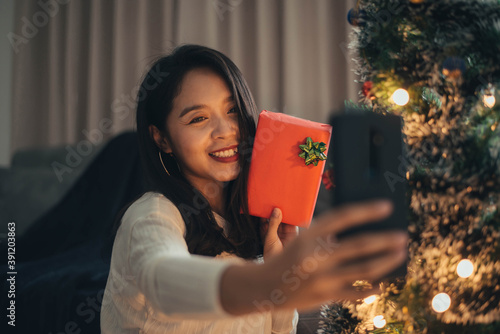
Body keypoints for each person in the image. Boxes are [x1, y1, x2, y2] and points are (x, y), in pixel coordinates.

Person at [100, 44, 408, 334]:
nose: (226, 131)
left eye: (232, 110)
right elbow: (162, 280)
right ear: (161, 139)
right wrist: (266, 279)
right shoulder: (151, 215)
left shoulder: (255, 224)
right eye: (198, 119)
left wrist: (280, 276)